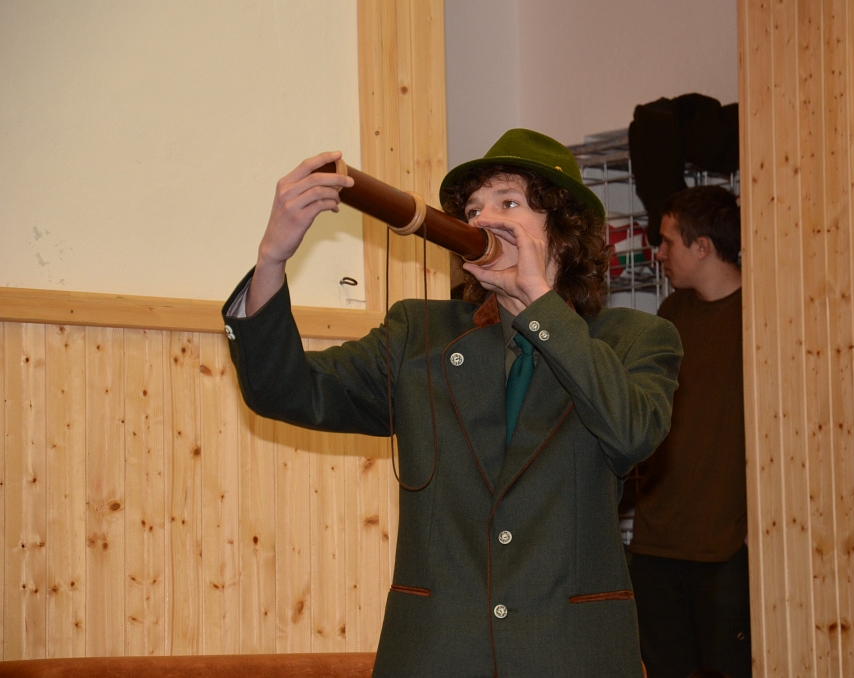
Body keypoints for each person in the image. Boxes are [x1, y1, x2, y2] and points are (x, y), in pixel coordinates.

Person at [220, 128, 683, 677]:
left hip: (571, 656)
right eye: (473, 209)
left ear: (563, 232)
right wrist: (271, 258)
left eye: (508, 203)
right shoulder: (419, 335)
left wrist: (539, 302)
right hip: (437, 656)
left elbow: (632, 432)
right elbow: (283, 389)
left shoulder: (634, 339)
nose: (483, 220)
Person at [628, 186, 750, 678]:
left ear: (702, 247)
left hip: (723, 546)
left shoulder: (760, 316)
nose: (658, 254)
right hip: (655, 542)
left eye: (667, 241)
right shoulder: (671, 315)